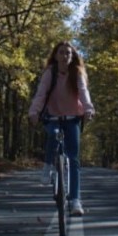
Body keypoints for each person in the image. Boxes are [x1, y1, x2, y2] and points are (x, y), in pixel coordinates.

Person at [28, 41, 95, 216]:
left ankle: (75, 200)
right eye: (61, 53)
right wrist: (34, 112)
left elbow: (83, 91)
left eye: (68, 53)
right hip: (53, 116)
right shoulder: (50, 73)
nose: (65, 56)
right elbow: (41, 93)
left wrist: (88, 109)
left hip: (72, 118)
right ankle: (48, 165)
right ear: (56, 56)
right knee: (53, 134)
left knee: (73, 159)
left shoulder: (77, 73)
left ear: (72, 57)